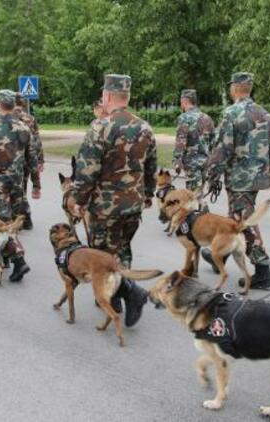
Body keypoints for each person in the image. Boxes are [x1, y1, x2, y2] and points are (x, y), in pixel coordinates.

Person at [71, 74, 157, 327]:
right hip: (133, 203)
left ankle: (130, 293)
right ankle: (116, 295)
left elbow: (87, 169)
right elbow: (151, 167)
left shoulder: (100, 126)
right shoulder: (145, 127)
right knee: (123, 248)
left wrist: (79, 199)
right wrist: (149, 194)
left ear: (107, 96)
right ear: (126, 97)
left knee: (102, 254)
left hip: (105, 207)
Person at [202, 72, 270, 289]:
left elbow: (223, 147)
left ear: (235, 88)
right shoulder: (264, 113)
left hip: (239, 178)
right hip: (259, 176)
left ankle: (263, 269)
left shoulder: (232, 112)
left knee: (242, 222)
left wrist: (211, 174)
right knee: (235, 217)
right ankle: (220, 254)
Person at [0, 89, 41, 281]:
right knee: (12, 222)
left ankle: (19, 260)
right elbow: (32, 159)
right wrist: (36, 184)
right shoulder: (24, 128)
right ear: (13, 106)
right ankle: (6, 258)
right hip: (18, 184)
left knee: (0, 224)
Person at [172, 89, 214, 192]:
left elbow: (181, 141)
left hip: (191, 163)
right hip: (205, 162)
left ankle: (202, 207)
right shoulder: (207, 118)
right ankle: (201, 206)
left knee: (192, 197)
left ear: (185, 101)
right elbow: (213, 141)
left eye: (181, 101)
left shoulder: (184, 118)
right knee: (199, 193)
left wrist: (177, 161)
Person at [13, 93, 44, 230]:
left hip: (10, 160)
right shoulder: (30, 119)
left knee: (11, 190)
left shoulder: (8, 118)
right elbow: (36, 141)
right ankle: (26, 218)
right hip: (27, 159)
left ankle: (18, 219)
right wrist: (40, 160)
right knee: (22, 189)